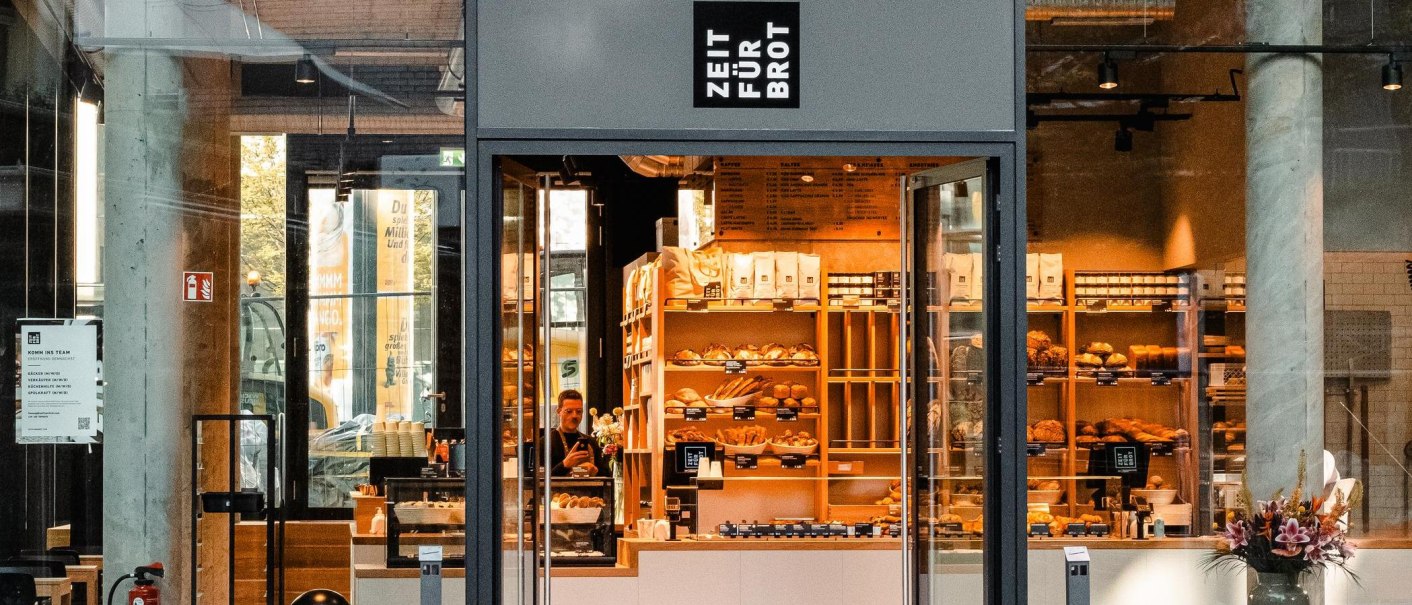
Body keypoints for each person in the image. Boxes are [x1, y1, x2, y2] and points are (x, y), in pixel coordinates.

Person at [547, 390, 609, 477]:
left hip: (589, 490)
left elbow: (607, 476)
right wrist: (564, 464)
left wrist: (595, 470)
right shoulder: (546, 442)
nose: (574, 415)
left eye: (579, 411)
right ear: (559, 412)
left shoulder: (591, 442)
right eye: (569, 411)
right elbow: (538, 481)